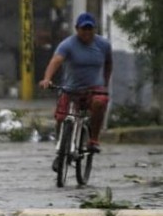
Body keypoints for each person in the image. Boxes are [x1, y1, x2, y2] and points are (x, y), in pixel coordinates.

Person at [39, 12, 113, 157]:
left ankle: (93, 140)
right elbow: (56, 61)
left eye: (89, 29)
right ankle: (60, 147)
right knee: (61, 118)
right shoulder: (67, 45)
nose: (86, 32)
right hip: (71, 89)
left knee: (99, 104)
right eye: (83, 29)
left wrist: (105, 83)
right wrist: (47, 79)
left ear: (94, 29)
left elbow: (109, 63)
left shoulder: (103, 45)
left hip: (94, 89)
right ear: (76, 29)